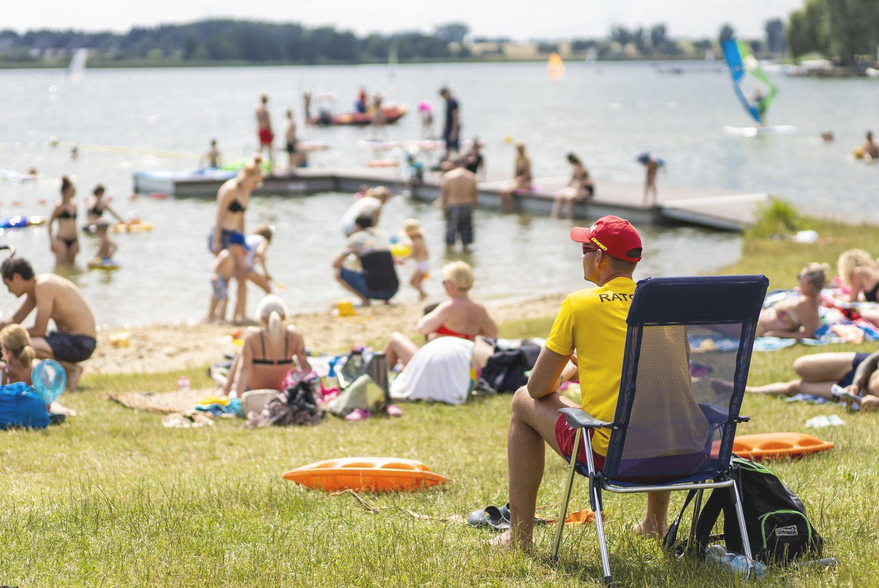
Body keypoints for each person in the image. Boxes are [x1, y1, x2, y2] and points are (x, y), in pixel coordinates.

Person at [490, 216, 659, 551]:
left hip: (612, 455)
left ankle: (519, 538)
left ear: (599, 258)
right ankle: (654, 523)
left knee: (522, 401)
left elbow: (538, 389)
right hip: (674, 449)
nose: (581, 257)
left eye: (584, 249)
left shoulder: (580, 304)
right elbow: (662, 380)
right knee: (655, 409)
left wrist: (561, 371)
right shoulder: (660, 303)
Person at [0, 257, 97, 389]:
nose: (8, 290)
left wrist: (12, 337)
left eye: (7, 284)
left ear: (17, 277)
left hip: (82, 342)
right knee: (15, 343)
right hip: (69, 338)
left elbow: (39, 329)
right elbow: (15, 319)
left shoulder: (43, 286)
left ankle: (71, 369)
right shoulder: (35, 289)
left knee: (22, 345)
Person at [382, 261, 497, 369]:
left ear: (451, 284)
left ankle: (379, 380)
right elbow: (493, 332)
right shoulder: (478, 307)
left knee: (395, 339)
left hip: (439, 366)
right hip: (462, 365)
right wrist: (472, 332)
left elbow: (422, 328)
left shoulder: (449, 307)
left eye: (444, 282)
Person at [210, 155, 263, 323]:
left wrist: (243, 239)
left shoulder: (245, 190)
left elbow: (241, 216)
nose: (255, 186)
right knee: (223, 276)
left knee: (242, 275)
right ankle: (214, 316)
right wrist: (216, 242)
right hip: (222, 235)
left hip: (235, 237)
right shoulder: (230, 189)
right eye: (255, 182)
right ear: (246, 176)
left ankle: (239, 315)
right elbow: (218, 216)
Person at [226, 295, 310, 397]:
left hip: (255, 392)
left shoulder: (252, 337)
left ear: (262, 318)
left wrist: (238, 397)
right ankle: (224, 387)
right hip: (282, 391)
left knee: (241, 354)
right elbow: (304, 366)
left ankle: (224, 389)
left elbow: (244, 370)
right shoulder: (295, 335)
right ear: (283, 316)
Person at [747, 350, 879, 411]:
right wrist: (856, 384)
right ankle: (745, 389)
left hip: (863, 395)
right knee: (801, 366)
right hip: (860, 368)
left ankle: (751, 391)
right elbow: (873, 359)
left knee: (795, 388)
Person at [332, 215, 399, 306]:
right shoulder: (382, 236)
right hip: (393, 290)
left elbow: (335, 263)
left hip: (373, 291)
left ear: (357, 226)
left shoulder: (356, 238)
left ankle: (364, 300)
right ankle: (386, 301)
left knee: (338, 273)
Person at [757, 263, 828, 339]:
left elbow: (809, 334)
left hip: (757, 327)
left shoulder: (805, 302)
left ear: (807, 281)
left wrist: (778, 334)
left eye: (800, 277)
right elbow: (814, 327)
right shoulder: (815, 300)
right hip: (759, 322)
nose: (799, 281)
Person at [436, 158, 478, 253]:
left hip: (453, 206)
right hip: (467, 206)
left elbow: (444, 195)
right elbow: (474, 196)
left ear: (454, 165)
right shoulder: (471, 176)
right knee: (466, 239)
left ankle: (449, 257)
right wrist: (473, 208)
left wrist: (443, 210)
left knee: (450, 238)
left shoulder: (448, 176)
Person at [207, 232, 249, 324]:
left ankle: (217, 318)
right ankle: (219, 319)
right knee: (224, 298)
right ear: (235, 246)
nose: (241, 251)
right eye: (241, 248)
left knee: (221, 298)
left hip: (223, 280)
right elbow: (215, 264)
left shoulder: (233, 257)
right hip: (218, 278)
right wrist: (213, 273)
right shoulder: (225, 254)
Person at [551, 153, 594, 219]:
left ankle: (570, 217)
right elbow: (571, 182)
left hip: (586, 189)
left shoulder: (580, 168)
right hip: (579, 188)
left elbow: (581, 184)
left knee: (569, 199)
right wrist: (565, 190)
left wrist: (577, 194)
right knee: (560, 197)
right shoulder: (574, 167)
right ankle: (555, 216)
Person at [48, 176, 80, 265]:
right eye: (72, 189)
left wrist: (78, 242)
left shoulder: (74, 205)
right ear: (65, 191)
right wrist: (51, 242)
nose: (74, 190)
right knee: (62, 265)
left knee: (72, 266)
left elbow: (75, 224)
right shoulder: (59, 206)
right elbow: (50, 223)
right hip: (61, 239)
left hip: (73, 239)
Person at [498, 142, 532, 213]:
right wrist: (512, 180)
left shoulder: (527, 159)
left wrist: (517, 180)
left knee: (507, 191)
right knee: (501, 190)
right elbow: (515, 172)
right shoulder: (517, 158)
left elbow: (527, 174)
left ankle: (511, 208)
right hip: (518, 179)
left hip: (525, 181)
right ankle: (504, 208)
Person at [401, 218, 430, 301]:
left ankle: (424, 294)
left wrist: (404, 258)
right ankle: (421, 297)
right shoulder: (420, 239)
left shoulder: (416, 241)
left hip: (421, 264)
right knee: (418, 282)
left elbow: (415, 253)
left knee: (412, 282)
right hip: (424, 264)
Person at [245, 224, 276, 294]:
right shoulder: (263, 240)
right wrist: (266, 273)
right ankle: (269, 304)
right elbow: (260, 252)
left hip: (237, 264)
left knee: (242, 289)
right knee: (268, 289)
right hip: (247, 268)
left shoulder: (251, 237)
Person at [439, 87, 461, 161]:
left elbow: (456, 116)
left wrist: (454, 130)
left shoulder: (453, 102)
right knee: (448, 146)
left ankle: (459, 161)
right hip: (449, 127)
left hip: (453, 127)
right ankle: (446, 161)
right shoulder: (448, 102)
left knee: (454, 147)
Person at [255, 94, 273, 172]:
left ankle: (257, 166)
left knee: (261, 148)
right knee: (270, 148)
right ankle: (271, 168)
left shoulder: (257, 109)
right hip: (266, 129)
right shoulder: (265, 109)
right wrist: (271, 131)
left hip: (260, 129)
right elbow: (268, 121)